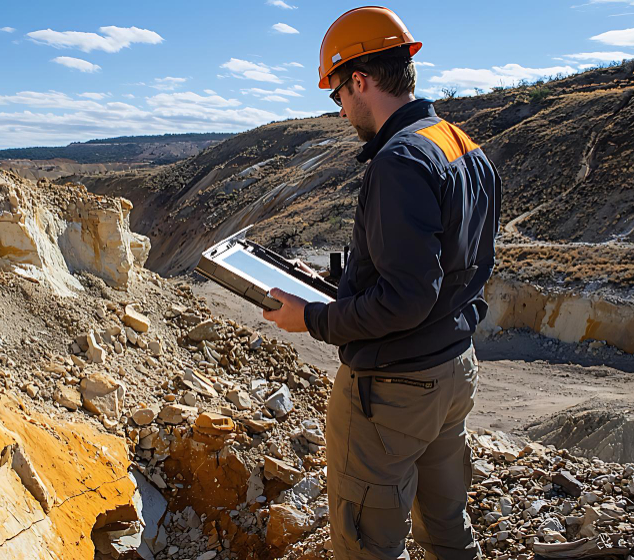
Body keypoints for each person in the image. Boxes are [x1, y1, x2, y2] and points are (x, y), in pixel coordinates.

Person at [262, 6, 501, 559]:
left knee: (368, 544)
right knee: (447, 529)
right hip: (452, 369)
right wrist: (342, 282)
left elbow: (406, 298)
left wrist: (312, 318)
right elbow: (450, 263)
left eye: (337, 94)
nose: (341, 109)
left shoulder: (399, 161)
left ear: (360, 80)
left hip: (394, 387)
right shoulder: (461, 145)